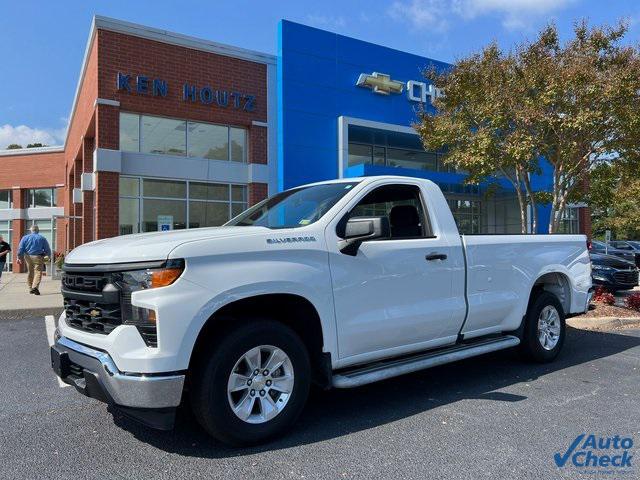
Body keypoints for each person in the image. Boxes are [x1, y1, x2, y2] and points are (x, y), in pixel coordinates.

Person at [17, 225, 51, 295]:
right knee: (38, 272)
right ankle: (35, 287)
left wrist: (18, 257)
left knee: (30, 272)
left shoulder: (25, 238)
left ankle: (30, 288)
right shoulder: (42, 238)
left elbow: (20, 248)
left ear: (31, 230)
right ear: (38, 231)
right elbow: (47, 249)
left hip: (27, 256)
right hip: (38, 257)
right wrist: (48, 256)